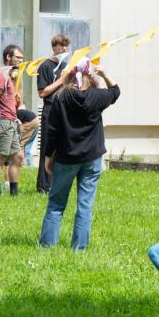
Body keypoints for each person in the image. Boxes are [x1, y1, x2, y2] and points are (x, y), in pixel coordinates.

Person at [38, 59, 120, 250]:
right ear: (89, 75)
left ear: (69, 75)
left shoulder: (61, 97)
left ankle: (47, 246)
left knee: (56, 204)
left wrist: (48, 156)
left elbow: (53, 130)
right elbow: (116, 92)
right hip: (92, 158)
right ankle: (79, 248)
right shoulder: (98, 97)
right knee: (85, 205)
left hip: (66, 157)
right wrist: (105, 74)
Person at [35, 34, 71, 193]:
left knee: (62, 147)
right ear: (54, 47)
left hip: (65, 110)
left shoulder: (66, 65)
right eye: (61, 45)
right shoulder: (45, 66)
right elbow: (42, 92)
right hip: (50, 110)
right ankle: (43, 185)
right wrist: (61, 81)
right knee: (47, 147)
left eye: (66, 46)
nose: (64, 49)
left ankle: (57, 182)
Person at [0, 45, 25, 196]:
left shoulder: (13, 77)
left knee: (17, 157)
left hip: (12, 120)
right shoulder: (1, 75)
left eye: (22, 58)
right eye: (17, 57)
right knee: (0, 157)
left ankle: (14, 192)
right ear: (8, 57)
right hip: (3, 120)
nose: (20, 61)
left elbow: (15, 101)